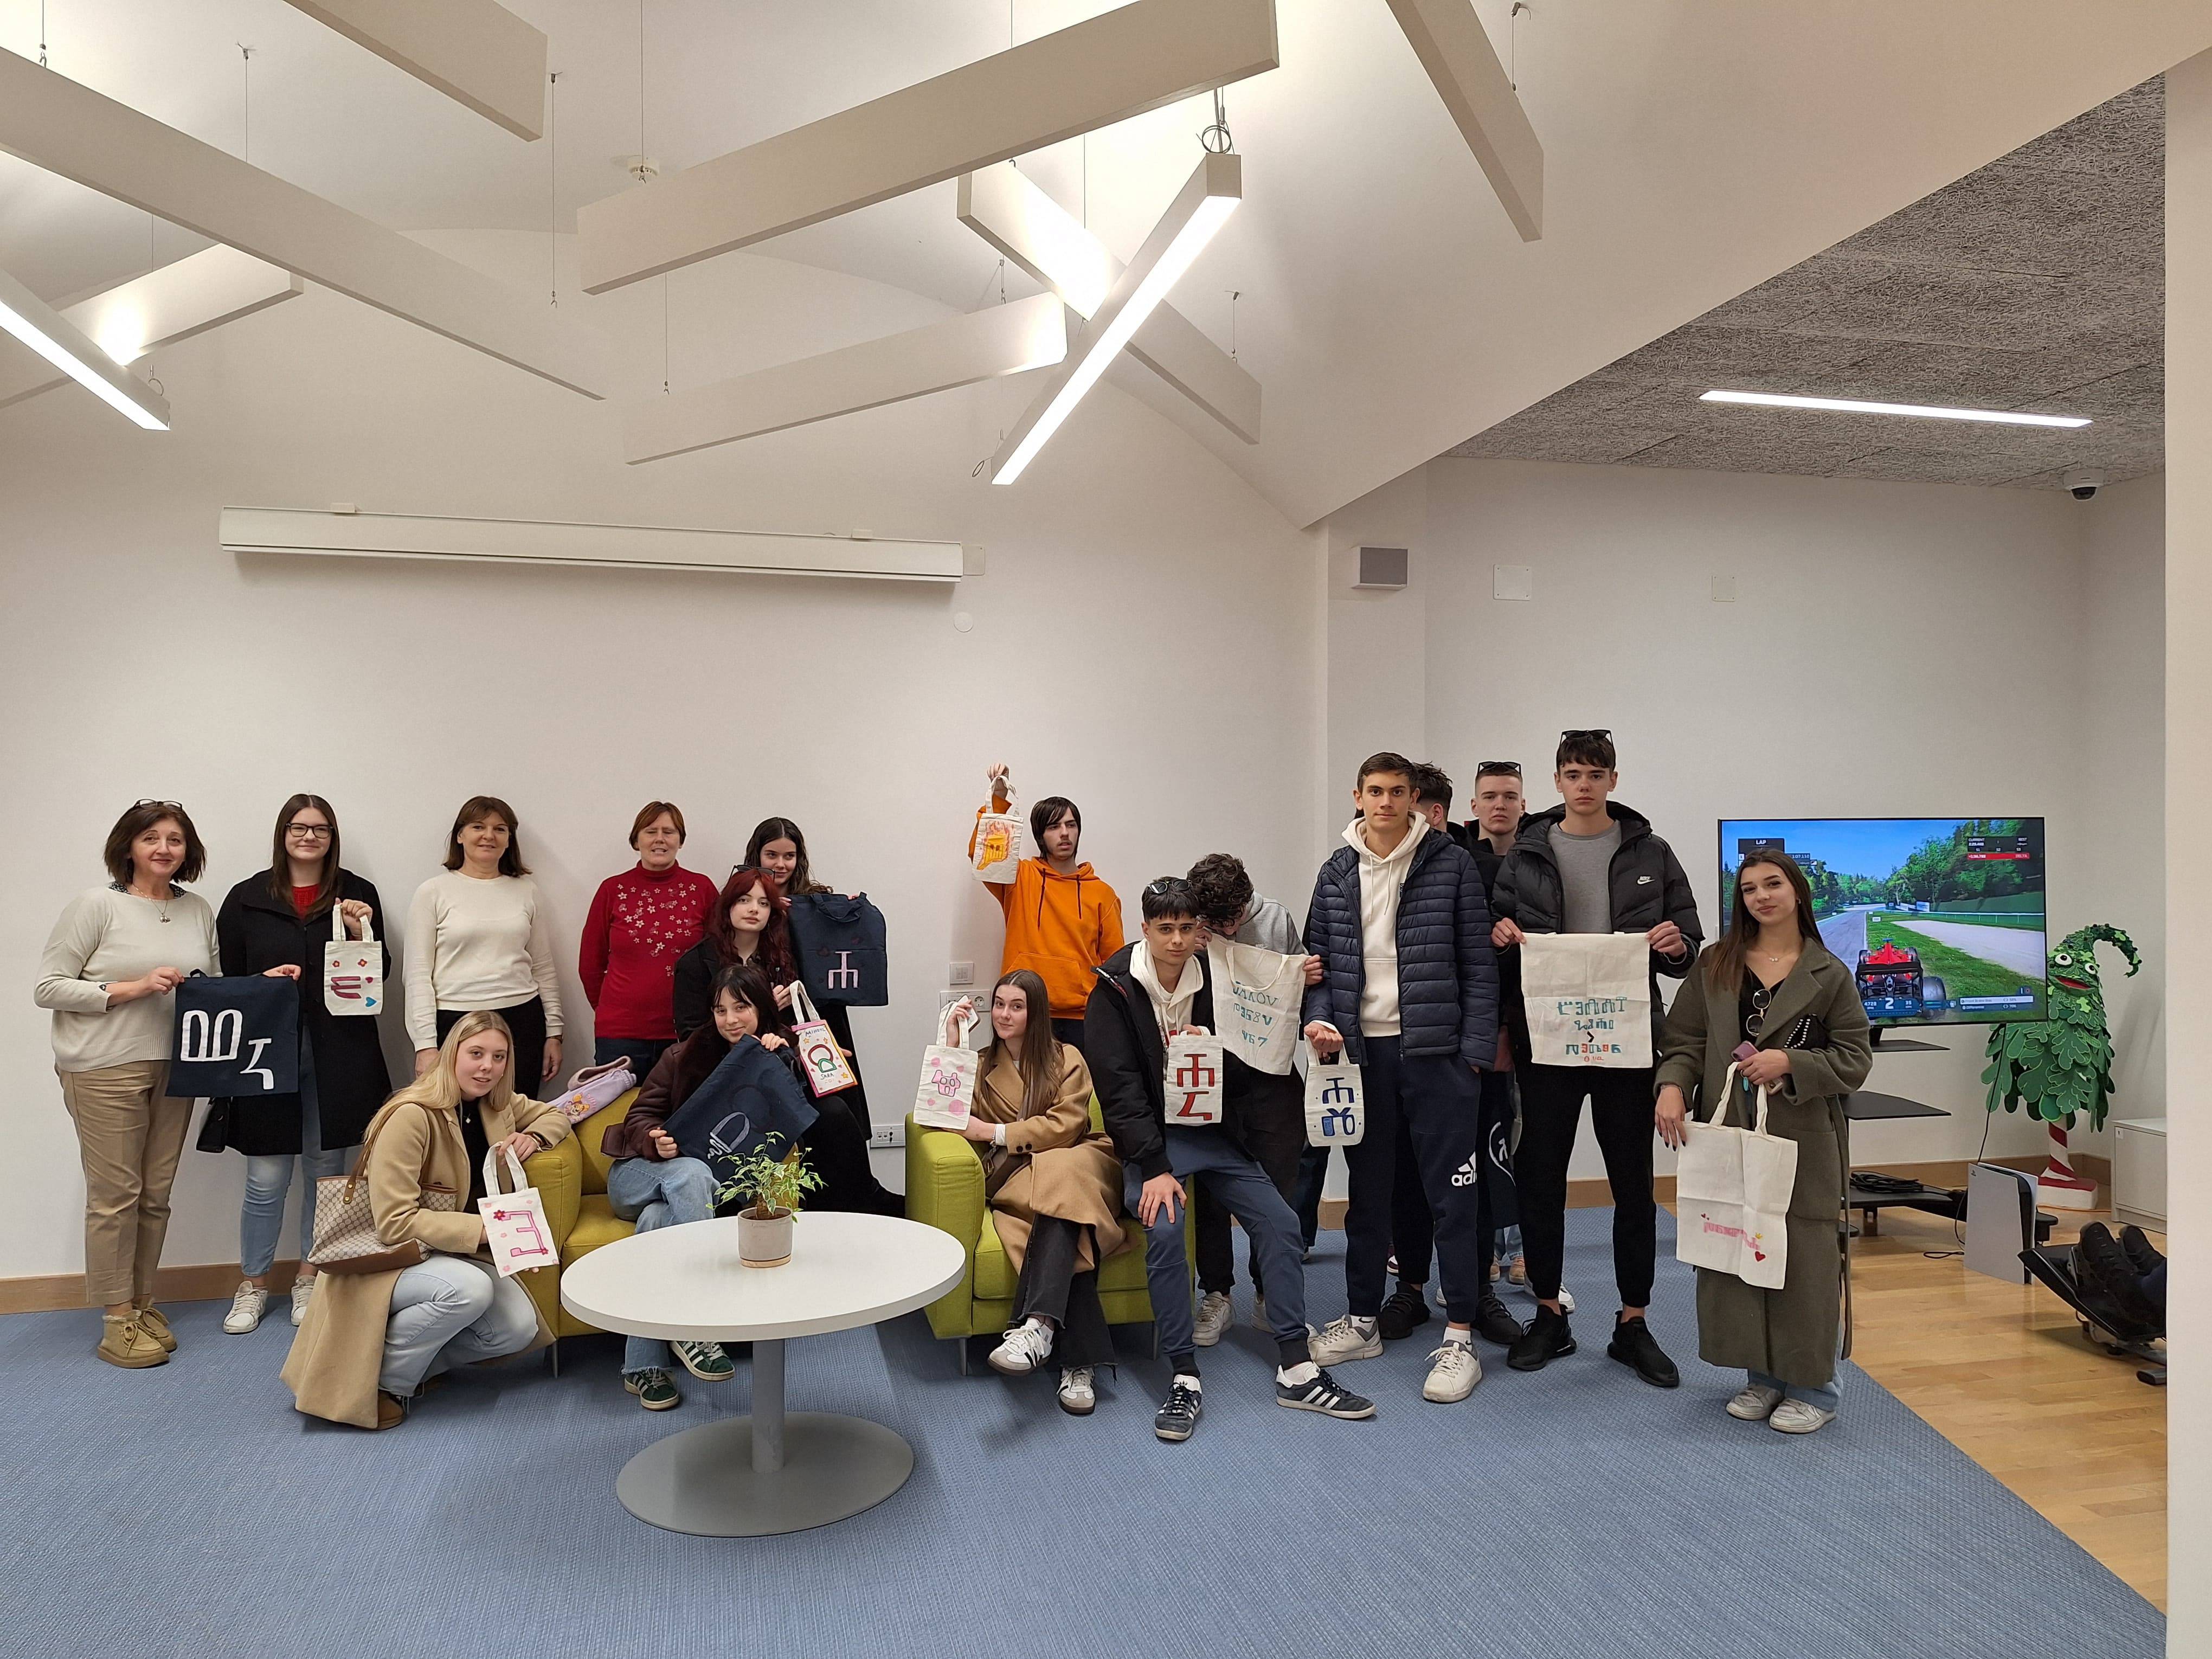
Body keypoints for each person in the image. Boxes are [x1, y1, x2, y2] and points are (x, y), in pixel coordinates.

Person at [1089, 877, 1373, 1442]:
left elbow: (1251, 1062)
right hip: (1152, 1144)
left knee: (1280, 1221)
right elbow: (1119, 1092)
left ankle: (1296, 1367)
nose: (1176, 940)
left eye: (1186, 928)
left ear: (1199, 930)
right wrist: (1154, 1167)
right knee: (1166, 1231)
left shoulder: (1216, 976)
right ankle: (1183, 1375)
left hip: (1212, 1136)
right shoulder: (1113, 989)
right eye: (1165, 929)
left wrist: (1217, 1048)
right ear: (1145, 929)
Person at [35, 801, 299, 1368]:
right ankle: (116, 1319)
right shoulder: (96, 905)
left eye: (175, 840)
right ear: (128, 847)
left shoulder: (196, 909)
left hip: (177, 1066)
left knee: (154, 1195)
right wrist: (132, 988)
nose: (163, 848)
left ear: (188, 851)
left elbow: (211, 989)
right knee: (116, 1197)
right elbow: (49, 987)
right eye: (151, 838)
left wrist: (261, 983)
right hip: (103, 1066)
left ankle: (140, 1302)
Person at [1493, 729, 1702, 1386]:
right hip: (1546, 1040)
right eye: (1573, 774)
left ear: (1613, 780)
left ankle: (1632, 1322)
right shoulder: (1527, 851)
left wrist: (1675, 945)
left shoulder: (1650, 851)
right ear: (1557, 781)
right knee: (1541, 1179)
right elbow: (1495, 933)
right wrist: (1500, 934)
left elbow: (1688, 944)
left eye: (1595, 774)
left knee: (1632, 1184)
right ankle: (1548, 1313)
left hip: (1627, 1038)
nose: (1583, 785)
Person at [1301, 754, 1502, 1405]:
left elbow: (1479, 966)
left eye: (1397, 792)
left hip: (1438, 1057)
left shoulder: (1451, 864)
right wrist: (1318, 1021)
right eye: (1375, 791)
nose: (1385, 802)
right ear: (1357, 796)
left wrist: (1473, 1055)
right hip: (1363, 1057)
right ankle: (1362, 1319)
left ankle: (1461, 1336)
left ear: (1414, 798)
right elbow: (1316, 965)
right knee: (1369, 1194)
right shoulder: (1336, 871)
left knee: (1454, 1199)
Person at [1656, 851, 1870, 1433]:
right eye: (1749, 889)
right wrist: (1672, 1086)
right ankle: (1763, 1376)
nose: (1761, 896)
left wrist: (1791, 1063)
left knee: (1802, 1260)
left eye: (1772, 884)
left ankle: (1813, 1387)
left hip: (1802, 1141)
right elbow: (1684, 1038)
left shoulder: (1829, 972)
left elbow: (1855, 1057)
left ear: (1797, 891)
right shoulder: (1716, 963)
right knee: (1737, 1249)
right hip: (1728, 1135)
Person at [282, 1012, 569, 1429]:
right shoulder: (411, 1115)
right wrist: (484, 1232)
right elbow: (394, 1224)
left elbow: (558, 1113)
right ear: (452, 1055)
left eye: (499, 1056)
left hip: (449, 1253)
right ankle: (382, 1384)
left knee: (518, 1330)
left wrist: (535, 1136)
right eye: (476, 1054)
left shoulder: (497, 1105)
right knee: (470, 1291)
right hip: (390, 1258)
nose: (487, 1067)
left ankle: (412, 1367)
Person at [205, 795, 394, 1335]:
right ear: (282, 834)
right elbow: (227, 982)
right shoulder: (246, 898)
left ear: (332, 837)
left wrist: (358, 933)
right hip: (266, 1053)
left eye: (320, 829)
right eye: (299, 827)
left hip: (340, 1054)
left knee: (325, 1170)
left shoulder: (357, 893)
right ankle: (253, 1283)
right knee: (265, 1178)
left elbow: (378, 975)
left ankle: (311, 1277)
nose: (309, 837)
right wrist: (262, 983)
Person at [1374, 762, 1520, 1348]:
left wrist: (1487, 1042)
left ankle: (1477, 1294)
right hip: (1403, 1050)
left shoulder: (1472, 866)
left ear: (1432, 811)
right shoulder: (1372, 869)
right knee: (1406, 1177)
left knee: (1473, 1180)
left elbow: (1486, 967)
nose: (1394, 812)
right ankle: (1410, 1288)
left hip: (1469, 1053)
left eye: (1407, 802)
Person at [938, 969, 1126, 1417]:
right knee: (1070, 1223)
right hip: (1019, 1177)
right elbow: (941, 1109)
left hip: (1082, 1162)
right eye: (999, 1004)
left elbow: (1067, 1126)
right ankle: (1075, 1361)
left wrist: (996, 1132)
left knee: (1062, 1171)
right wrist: (952, 1044)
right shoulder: (979, 1064)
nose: (1004, 1014)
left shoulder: (1067, 1058)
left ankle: (1037, 1327)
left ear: (1036, 1012)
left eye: (1017, 1006)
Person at [1183, 852, 1320, 1344]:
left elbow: (1301, 988)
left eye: (1234, 919)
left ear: (1247, 899)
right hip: (1214, 1074)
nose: (1227, 929)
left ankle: (1269, 1294)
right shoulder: (1189, 929)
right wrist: (1192, 951)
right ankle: (1217, 1293)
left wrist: (1307, 976)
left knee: (1278, 1189)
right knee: (1210, 1187)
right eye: (1215, 923)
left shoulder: (1276, 919)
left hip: (1271, 1075)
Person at [405, 796, 563, 1098]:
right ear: (460, 836)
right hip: (455, 1021)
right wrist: (425, 1045)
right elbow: (417, 975)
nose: (489, 836)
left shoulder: (527, 891)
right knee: (456, 1118)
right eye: (478, 827)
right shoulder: (432, 893)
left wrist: (554, 1032)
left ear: (509, 840)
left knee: (514, 1117)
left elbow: (543, 966)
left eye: (500, 829)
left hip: (522, 1022)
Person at [971, 763, 1123, 1051]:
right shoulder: (1018, 879)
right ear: (1040, 836)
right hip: (1023, 1010)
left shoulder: (1102, 894)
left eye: (1071, 825)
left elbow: (1115, 965)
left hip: (1083, 1017)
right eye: (1054, 827)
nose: (1065, 833)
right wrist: (999, 799)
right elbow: (984, 854)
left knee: (1076, 1082)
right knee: (1018, 1081)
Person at [747, 815, 876, 1135]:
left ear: (799, 858)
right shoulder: (745, 901)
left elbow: (842, 942)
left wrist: (845, 912)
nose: (781, 864)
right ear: (757, 855)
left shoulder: (817, 899)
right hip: (772, 1016)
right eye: (771, 855)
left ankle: (850, 1165)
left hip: (821, 1012)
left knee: (837, 1102)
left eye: (789, 856)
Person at [578, 800, 717, 1080]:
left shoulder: (702, 889)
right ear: (636, 840)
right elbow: (590, 964)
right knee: (617, 1109)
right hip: (620, 1035)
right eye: (651, 831)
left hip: (685, 1033)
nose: (660, 839)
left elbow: (717, 958)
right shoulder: (612, 889)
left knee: (681, 1107)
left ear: (680, 841)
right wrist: (611, 1009)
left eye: (669, 832)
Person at [1466, 761, 1534, 1295]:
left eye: (1509, 796)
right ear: (1474, 807)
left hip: (1535, 1024)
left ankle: (1527, 1252)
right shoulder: (1460, 864)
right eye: (1490, 796)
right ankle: (1487, 1250)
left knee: (1528, 1141)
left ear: (1523, 805)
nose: (1500, 805)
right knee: (1485, 1139)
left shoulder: (1542, 861)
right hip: (1480, 1028)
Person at [671, 867, 799, 1040]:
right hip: (717, 1056)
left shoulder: (782, 958)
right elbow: (690, 1035)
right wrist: (762, 1009)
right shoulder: (696, 962)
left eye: (764, 903)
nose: (754, 909)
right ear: (728, 905)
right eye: (744, 900)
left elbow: (794, 1028)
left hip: (773, 1053)